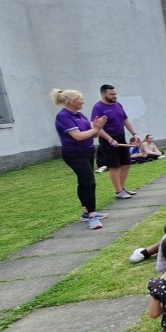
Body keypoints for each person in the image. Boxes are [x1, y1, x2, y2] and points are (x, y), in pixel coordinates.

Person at [52, 89, 108, 230]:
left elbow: (92, 135)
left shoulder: (79, 115)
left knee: (83, 183)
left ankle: (86, 212)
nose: (83, 101)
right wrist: (96, 128)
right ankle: (92, 216)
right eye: (80, 99)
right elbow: (79, 136)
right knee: (89, 182)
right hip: (75, 154)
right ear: (71, 101)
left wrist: (97, 127)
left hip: (87, 152)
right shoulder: (63, 116)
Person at [92, 84, 142, 200]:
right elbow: (96, 127)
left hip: (120, 138)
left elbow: (125, 120)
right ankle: (118, 191)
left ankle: (123, 187)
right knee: (114, 166)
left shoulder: (118, 105)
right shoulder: (98, 107)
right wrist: (109, 139)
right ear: (104, 94)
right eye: (112, 94)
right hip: (108, 141)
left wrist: (134, 133)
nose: (115, 96)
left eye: (115, 94)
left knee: (126, 164)